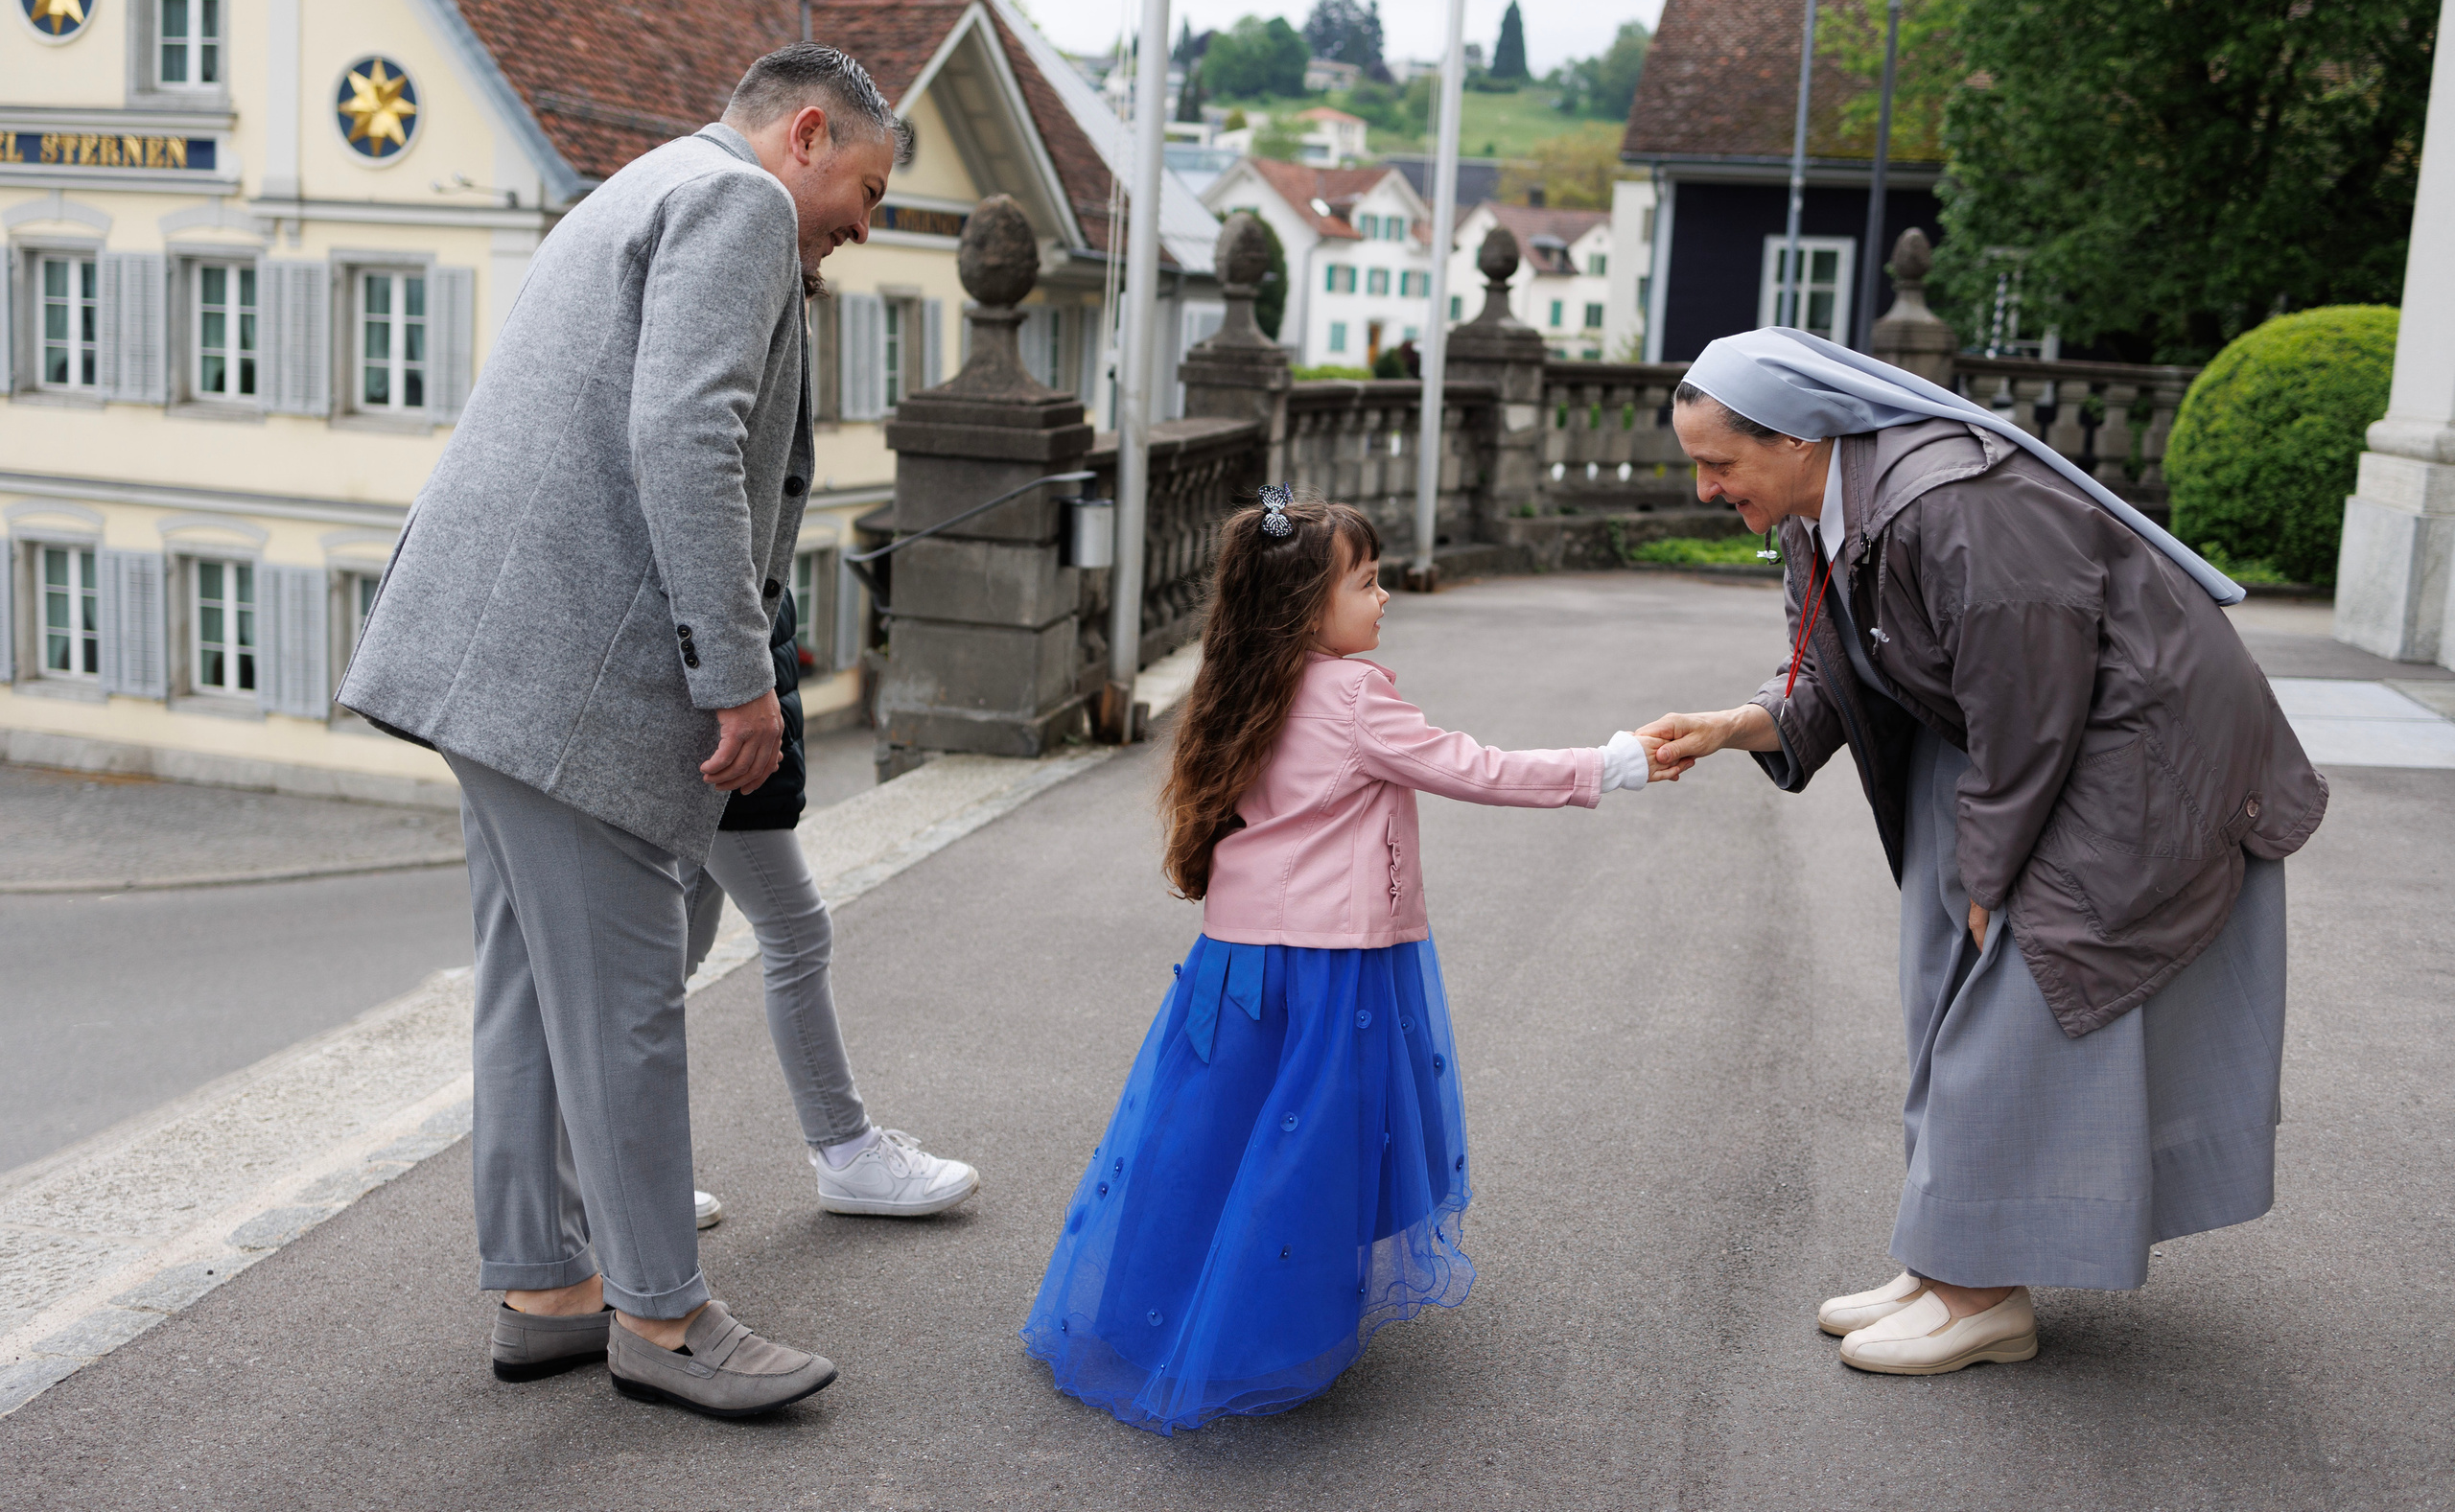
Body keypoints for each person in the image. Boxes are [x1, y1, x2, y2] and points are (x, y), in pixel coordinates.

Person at [338, 45, 905, 1419]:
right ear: (807, 134)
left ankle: (545, 1284)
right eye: (869, 187)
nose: (864, 222)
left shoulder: (634, 183)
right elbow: (684, 435)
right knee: (629, 993)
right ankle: (662, 1313)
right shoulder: (741, 206)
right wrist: (740, 671)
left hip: (487, 653)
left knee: (530, 983)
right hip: (571, 671)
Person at [1639, 328, 2326, 1377]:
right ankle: (1943, 1257)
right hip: (2020, 744)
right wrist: (1738, 723)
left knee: (2012, 998)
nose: (1703, 489)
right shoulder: (1818, 509)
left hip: (2135, 754)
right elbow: (1835, 675)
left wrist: (1991, 874)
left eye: (1718, 464)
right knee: (1942, 991)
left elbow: (2034, 702)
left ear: (1800, 438)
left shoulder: (1953, 502)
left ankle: (1980, 1295)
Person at [1021, 490, 1663, 1433]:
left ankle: (1149, 1311)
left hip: (1233, 964)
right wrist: (1611, 762)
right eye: (1364, 583)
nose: (1383, 597)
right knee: (1305, 1150)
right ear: (1303, 607)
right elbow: (1472, 767)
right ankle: (1270, 1335)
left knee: (1205, 1138)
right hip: (1331, 966)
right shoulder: (1353, 695)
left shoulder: (1240, 678)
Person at [682, 587, 978, 1221]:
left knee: (667, 957)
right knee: (795, 933)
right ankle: (845, 1150)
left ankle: (624, 1170)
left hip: (716, 733)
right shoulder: (724, 485)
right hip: (724, 743)